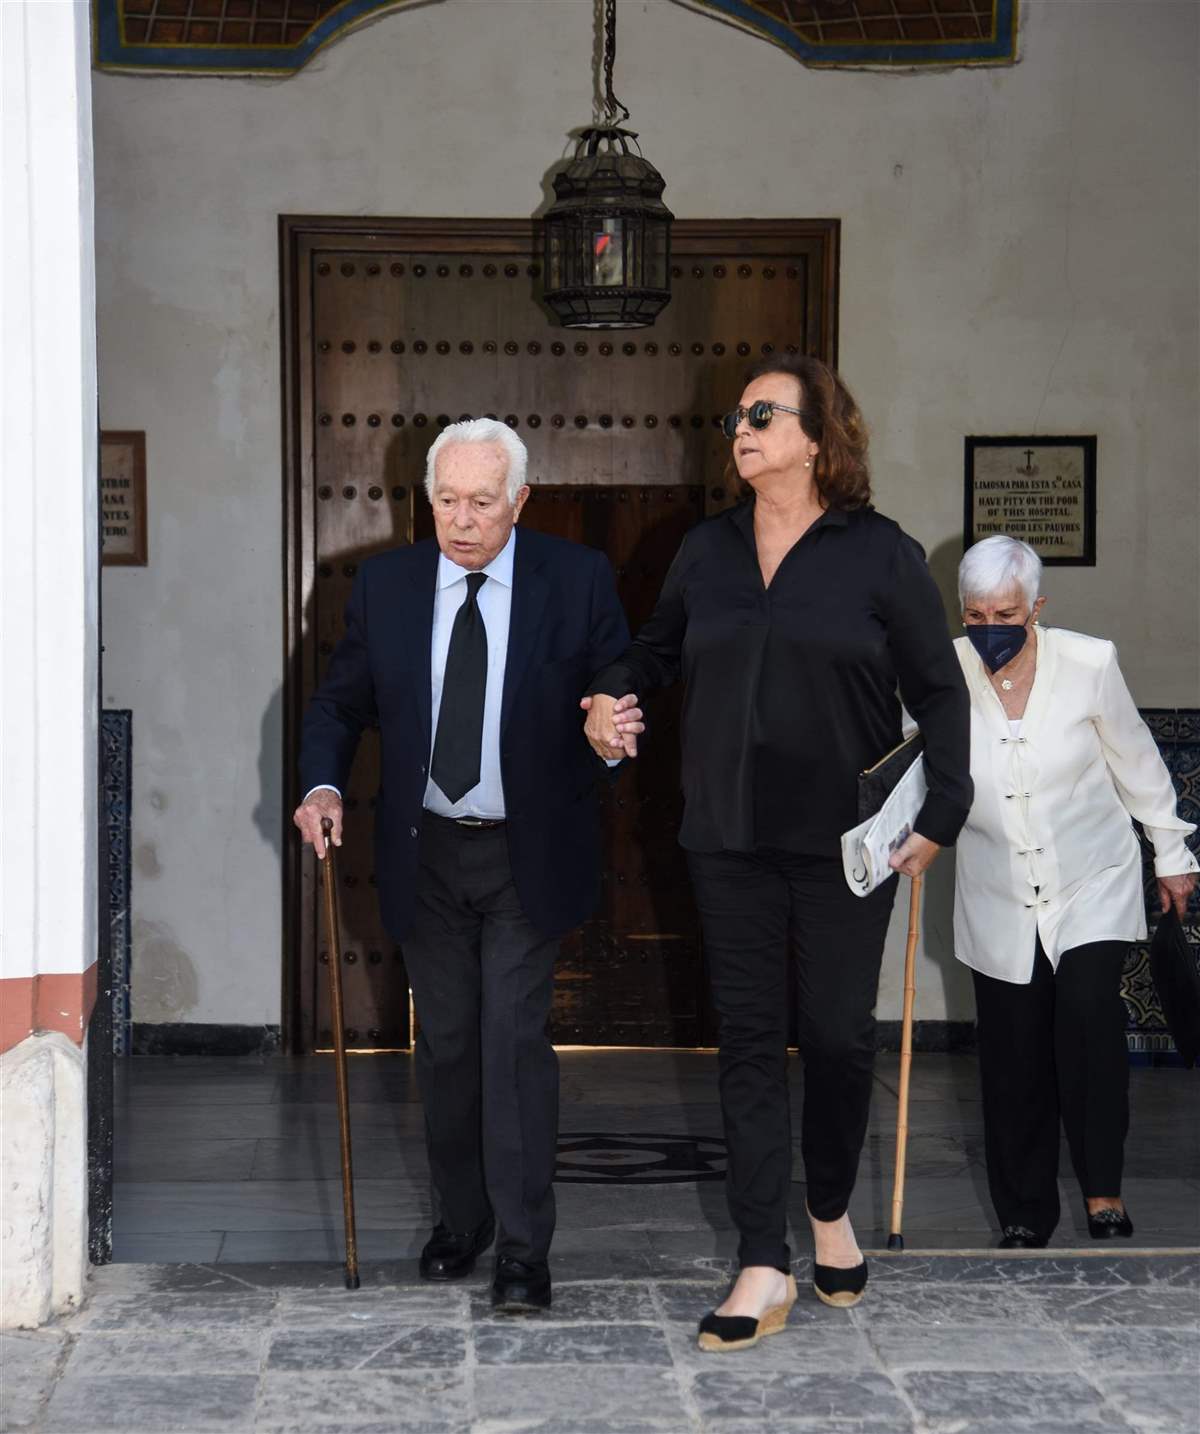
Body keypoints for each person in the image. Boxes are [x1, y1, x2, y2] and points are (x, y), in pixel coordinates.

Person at [583, 355, 972, 1351]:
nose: (741, 429)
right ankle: (763, 1257)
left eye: (764, 413)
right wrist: (609, 696)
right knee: (750, 1044)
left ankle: (829, 1207)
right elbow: (656, 649)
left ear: (819, 435)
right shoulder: (706, 550)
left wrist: (942, 812)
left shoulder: (879, 554)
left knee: (839, 1036)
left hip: (847, 844)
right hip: (727, 837)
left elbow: (937, 692)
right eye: (736, 416)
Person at [294, 418, 631, 1311]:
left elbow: (614, 676)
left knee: (513, 1045)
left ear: (520, 500)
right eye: (447, 499)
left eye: (483, 501)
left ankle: (524, 1250)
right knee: (446, 1049)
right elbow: (339, 702)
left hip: (527, 850)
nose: (463, 518)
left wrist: (609, 723)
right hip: (427, 852)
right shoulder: (389, 585)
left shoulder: (576, 579)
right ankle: (463, 1218)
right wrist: (323, 786)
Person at [952, 535, 1198, 1249]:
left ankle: (1103, 1192)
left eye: (1006, 612)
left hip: (1091, 877)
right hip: (997, 887)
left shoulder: (1089, 663)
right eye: (974, 613)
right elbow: (912, 762)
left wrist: (1171, 853)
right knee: (1012, 1050)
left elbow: (1137, 760)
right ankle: (1025, 1211)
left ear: (1038, 607)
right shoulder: (945, 667)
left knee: (1087, 1025)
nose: (990, 626)